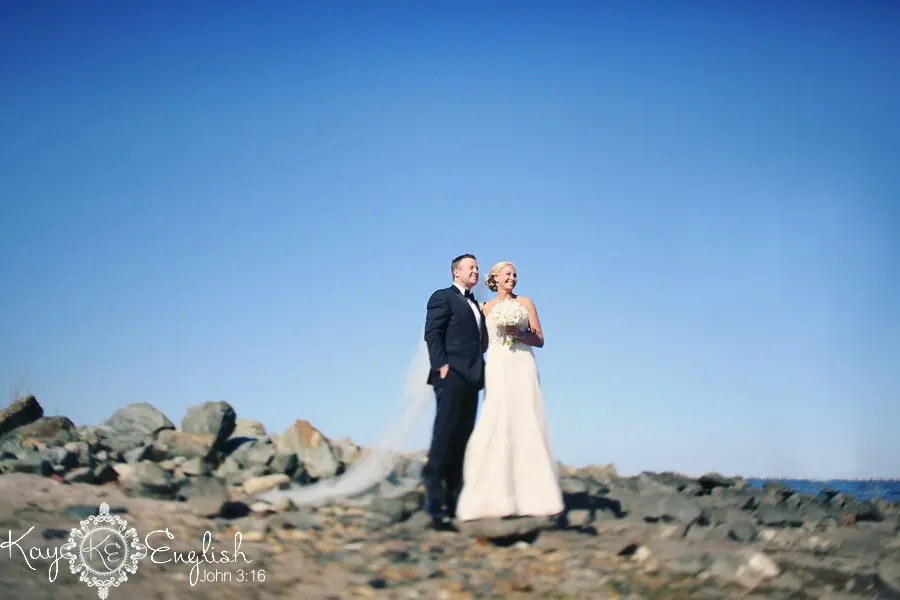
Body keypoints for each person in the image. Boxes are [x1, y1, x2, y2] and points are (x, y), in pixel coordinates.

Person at [454, 260, 565, 521]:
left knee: (526, 419)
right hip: (497, 365)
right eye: (508, 274)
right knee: (496, 418)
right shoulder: (485, 308)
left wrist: (521, 334)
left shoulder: (525, 303)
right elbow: (481, 344)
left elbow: (540, 339)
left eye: (515, 275)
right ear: (495, 278)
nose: (513, 278)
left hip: (522, 363)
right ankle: (493, 495)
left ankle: (535, 497)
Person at [422, 253, 488, 529]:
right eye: (471, 267)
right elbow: (432, 333)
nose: (476, 271)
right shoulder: (443, 297)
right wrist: (441, 366)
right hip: (450, 376)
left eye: (477, 267)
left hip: (473, 379)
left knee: (463, 439)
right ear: (455, 272)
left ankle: (453, 502)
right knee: (444, 437)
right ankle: (434, 505)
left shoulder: (476, 305)